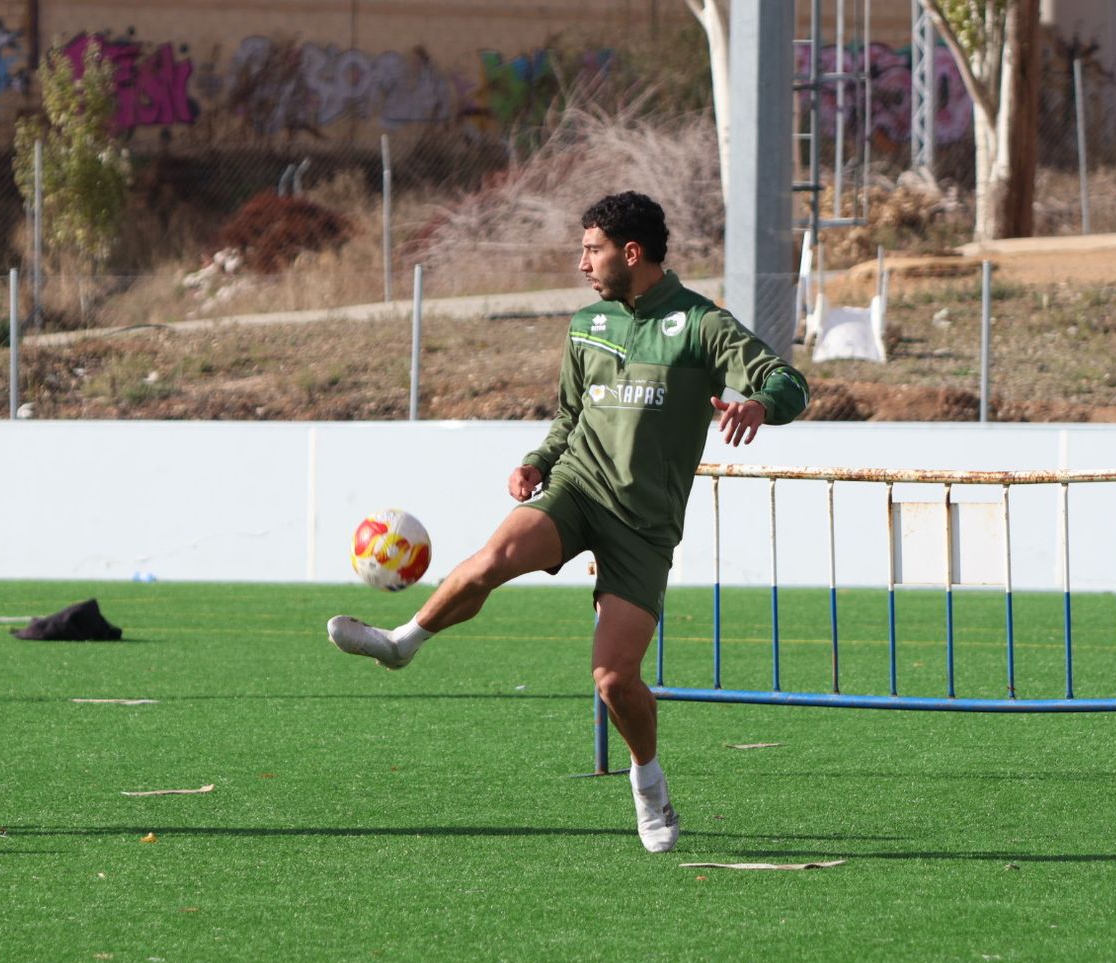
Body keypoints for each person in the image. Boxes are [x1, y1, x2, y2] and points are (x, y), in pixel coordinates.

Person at [327, 191, 809, 851]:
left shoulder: (701, 323)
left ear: (630, 253)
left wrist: (759, 405)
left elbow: (789, 382)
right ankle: (402, 641)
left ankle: (648, 782)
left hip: (643, 524)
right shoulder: (587, 324)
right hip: (579, 486)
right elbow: (571, 416)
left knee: (613, 679)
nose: (582, 262)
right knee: (496, 556)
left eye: (592, 249)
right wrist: (536, 461)